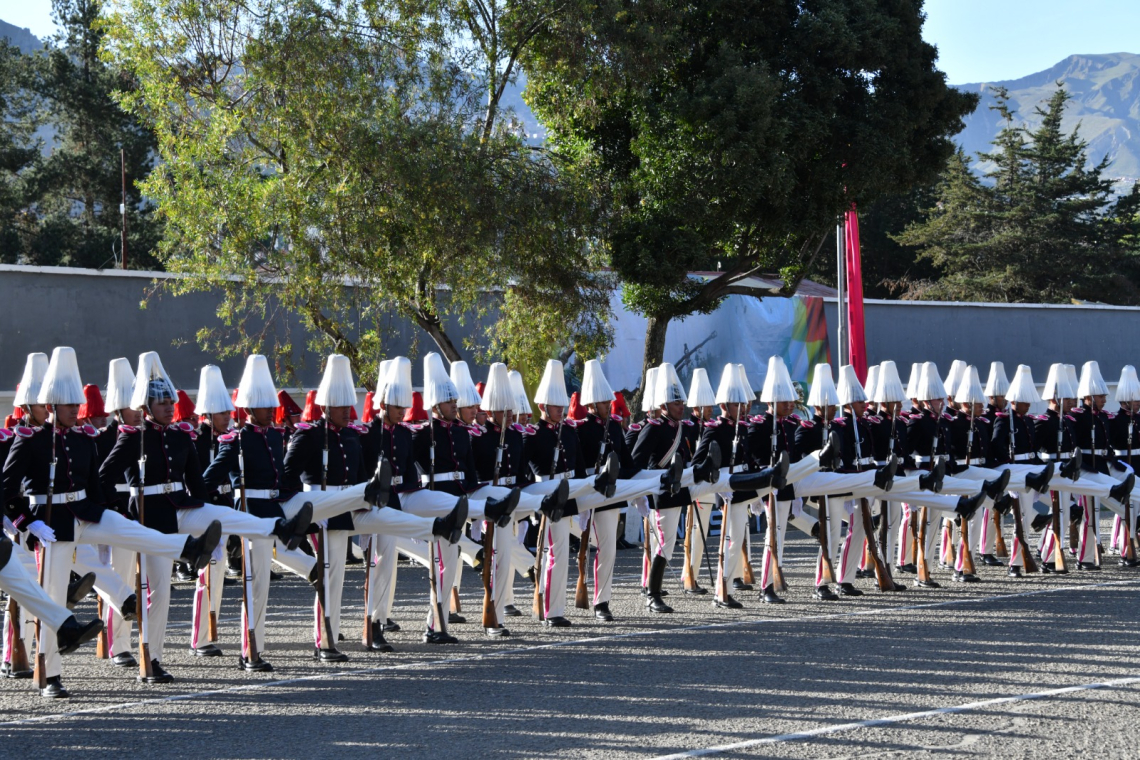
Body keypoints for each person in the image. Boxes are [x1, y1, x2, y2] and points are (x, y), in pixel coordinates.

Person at [4, 347, 221, 695]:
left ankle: (188, 548)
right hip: (51, 522)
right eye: (68, 405)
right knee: (54, 594)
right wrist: (26, 522)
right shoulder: (32, 440)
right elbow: (6, 488)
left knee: (132, 530)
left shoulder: (81, 439)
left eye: (77, 404)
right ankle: (51, 675)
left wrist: (110, 512)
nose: (76, 410)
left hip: (86, 513)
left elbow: (94, 485)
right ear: (51, 406)